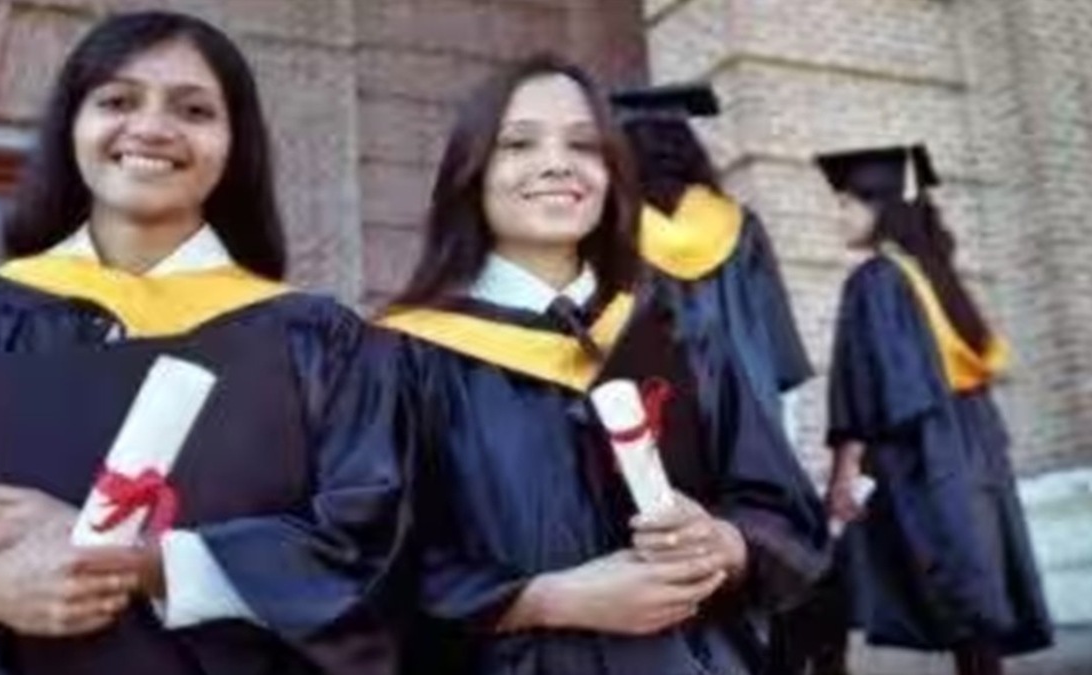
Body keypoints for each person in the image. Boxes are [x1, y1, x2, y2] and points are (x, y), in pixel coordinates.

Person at [0, 11, 406, 675]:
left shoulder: (319, 346)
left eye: (194, 110)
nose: (152, 127)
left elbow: (376, 556)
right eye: (117, 101)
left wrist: (147, 561)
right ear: (71, 125)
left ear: (235, 143)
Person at [377, 53, 828, 675]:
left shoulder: (683, 336)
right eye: (519, 143)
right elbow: (363, 560)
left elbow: (784, 513)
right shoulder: (400, 358)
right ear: (470, 171)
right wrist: (545, 600)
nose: (558, 162)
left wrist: (724, 543)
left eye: (584, 144)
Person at [811, 144, 1053, 675]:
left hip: (916, 453)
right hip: (971, 445)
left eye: (847, 204)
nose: (838, 217)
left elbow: (866, 383)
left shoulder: (876, 280)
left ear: (881, 206)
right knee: (971, 580)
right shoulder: (936, 278)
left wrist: (845, 470)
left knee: (834, 576)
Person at [612, 83, 813, 428]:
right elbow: (778, 343)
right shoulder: (739, 225)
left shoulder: (613, 229)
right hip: (745, 419)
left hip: (653, 417)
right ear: (689, 149)